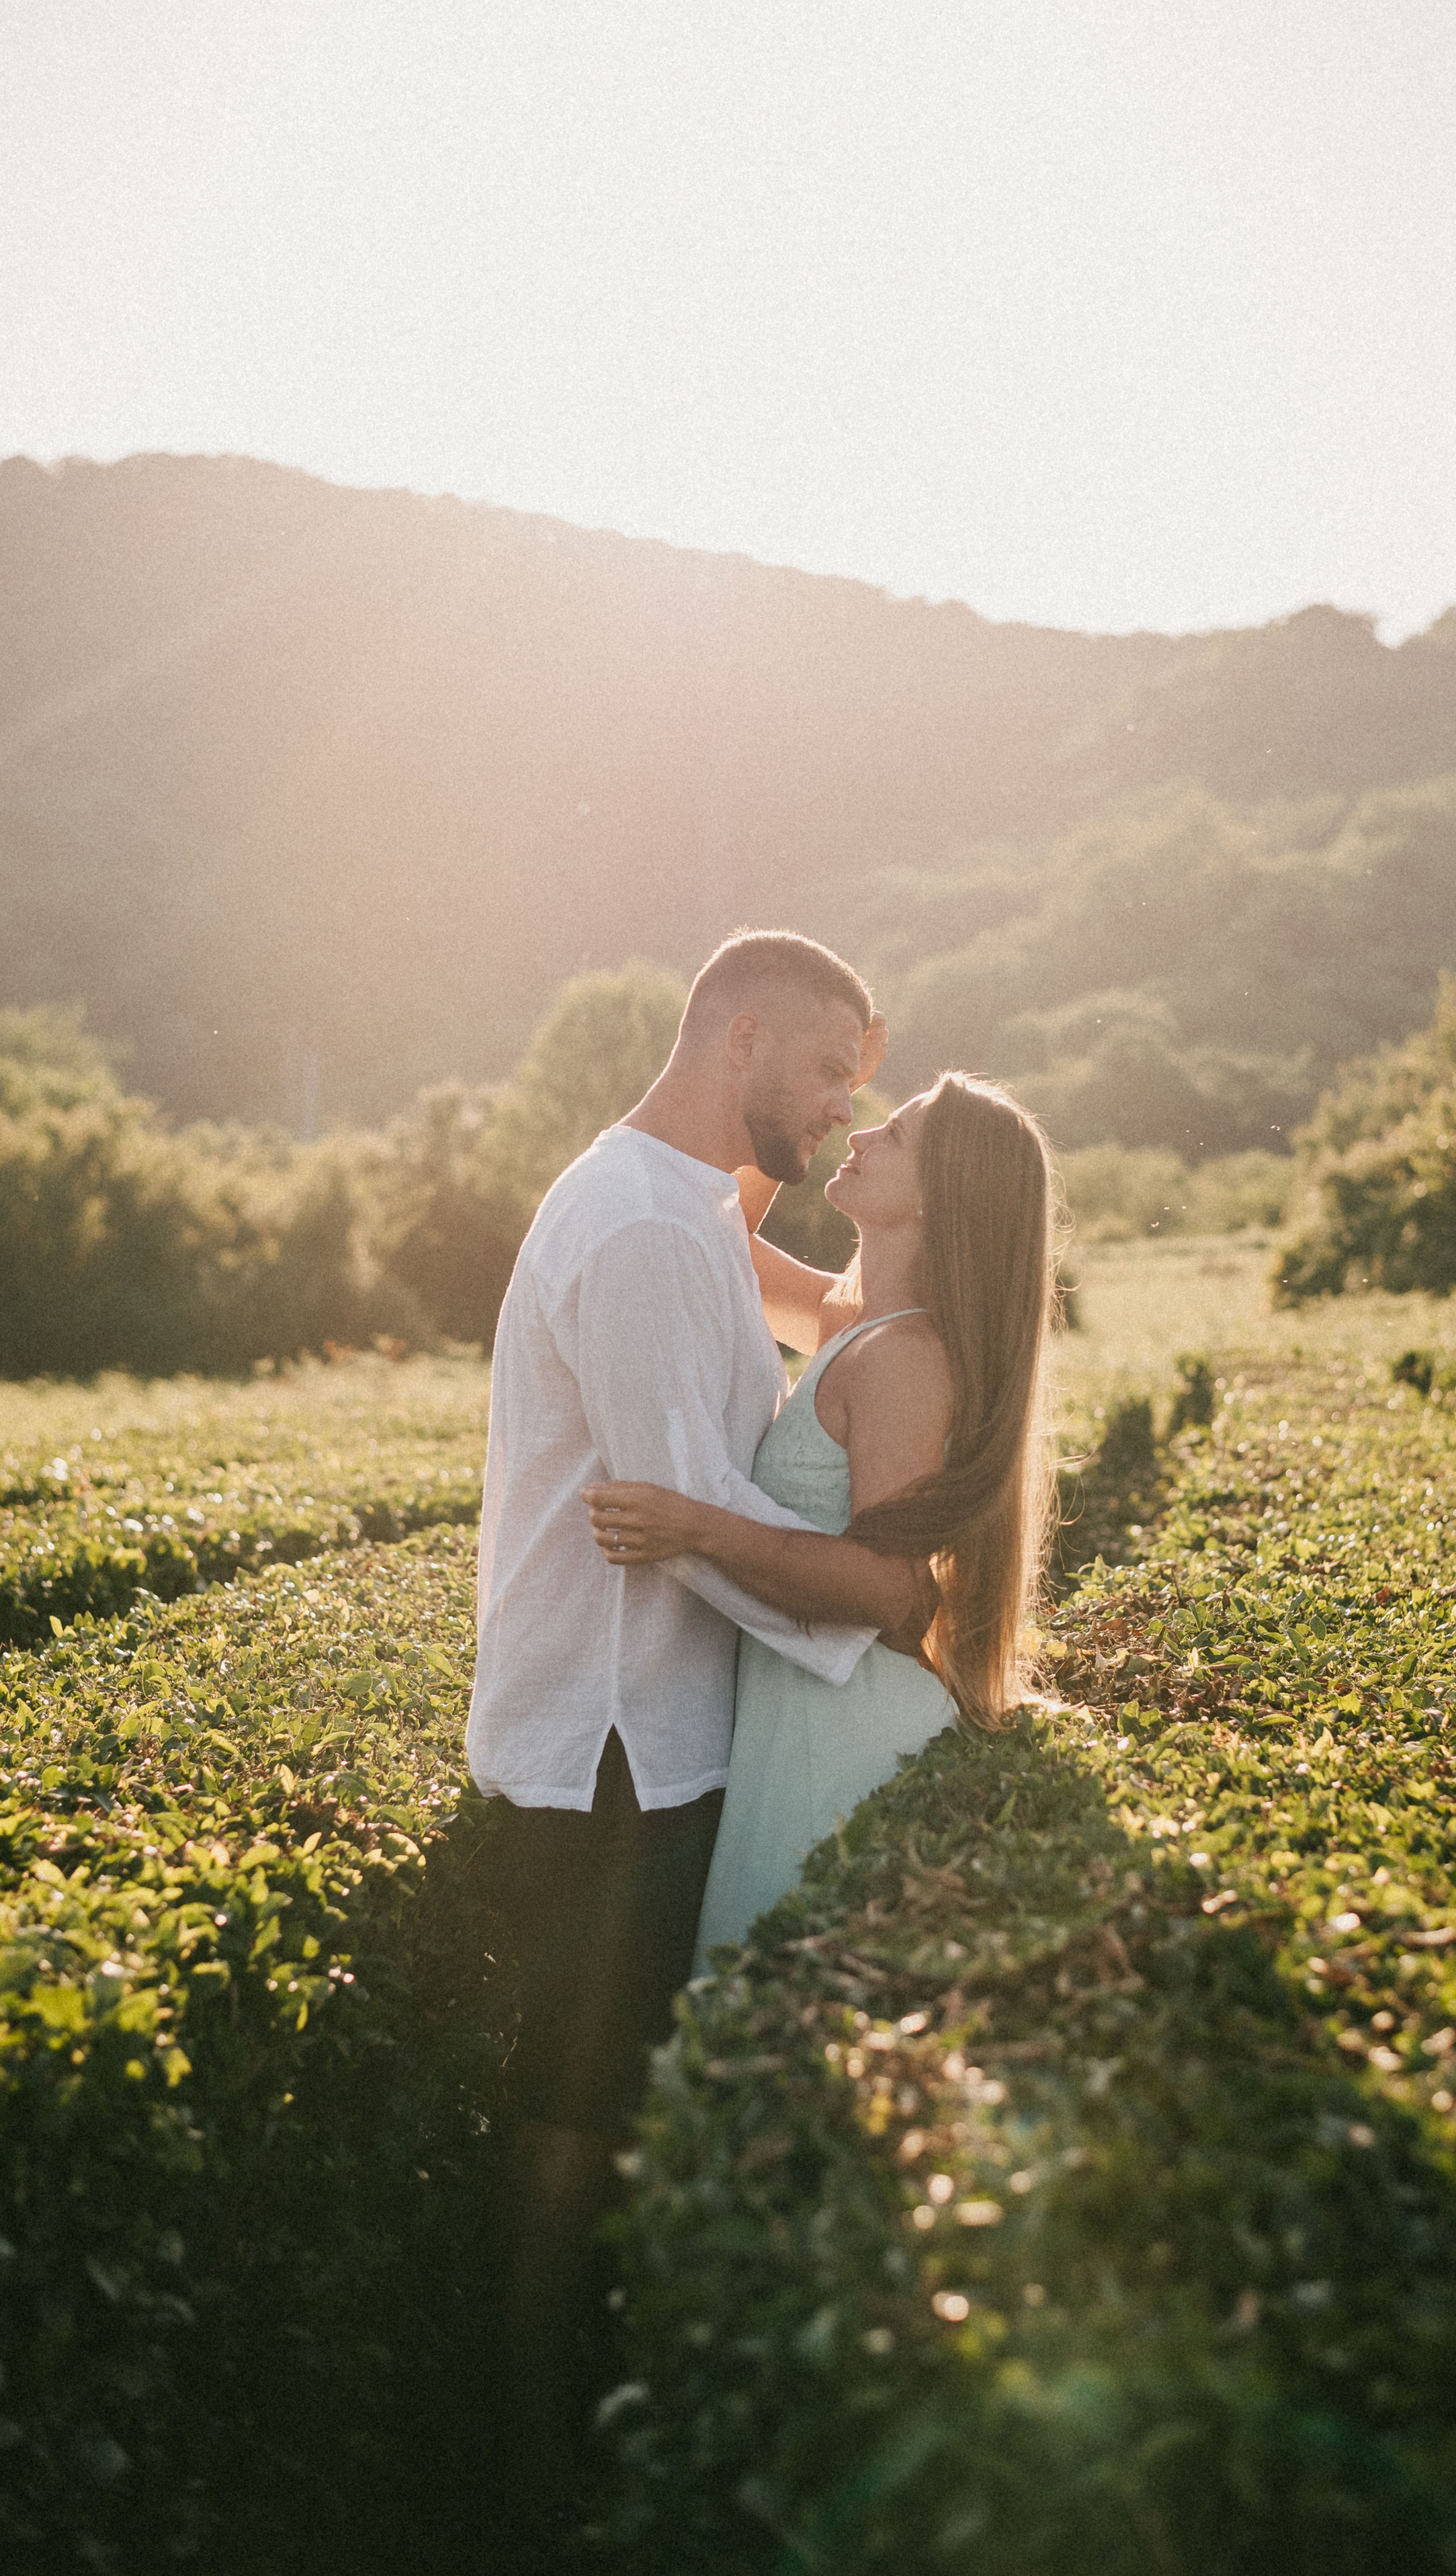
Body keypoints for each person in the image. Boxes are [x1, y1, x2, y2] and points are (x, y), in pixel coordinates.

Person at [466, 929, 933, 2479]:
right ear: (736, 1042)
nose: (832, 1120)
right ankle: (536, 2447)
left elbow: (823, 1317)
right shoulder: (653, 1230)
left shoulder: (670, 1200)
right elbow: (689, 1518)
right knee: (580, 2109)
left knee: (605, 2094)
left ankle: (568, 2415)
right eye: (820, 1077)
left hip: (641, 1729)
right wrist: (873, 1635)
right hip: (617, 1742)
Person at [582, 1068, 1060, 1973]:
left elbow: (888, 1590)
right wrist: (783, 1098)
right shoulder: (855, 1317)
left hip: (840, 1735)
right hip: (799, 1716)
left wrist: (698, 1525)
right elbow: (723, 1231)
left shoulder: (902, 1360)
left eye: (901, 1134)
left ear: (941, 1197)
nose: (864, 1131)